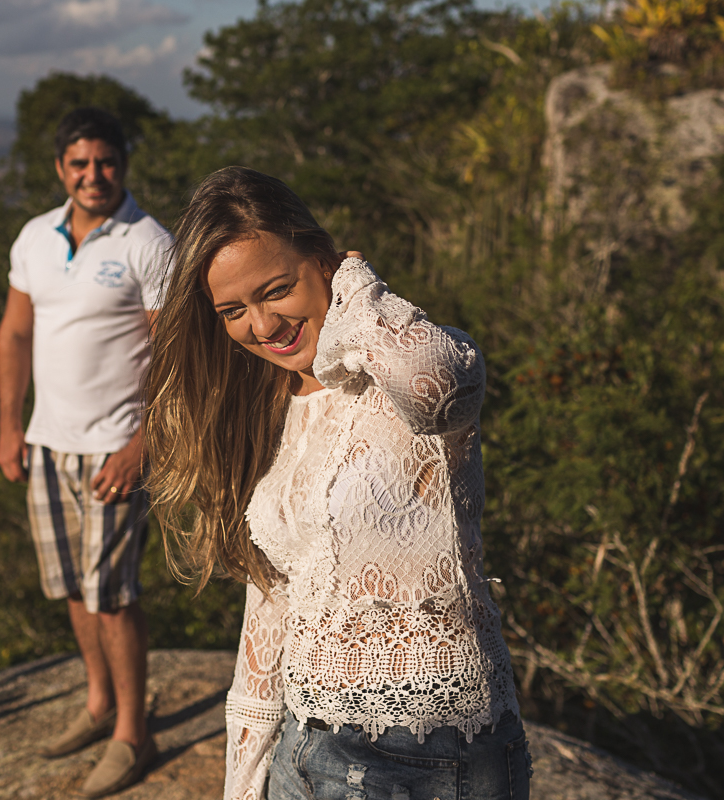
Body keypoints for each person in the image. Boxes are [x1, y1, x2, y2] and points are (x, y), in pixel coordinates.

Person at [145, 167, 529, 800]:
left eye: (276, 290)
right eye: (233, 311)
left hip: (426, 752)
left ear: (321, 260)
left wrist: (356, 286)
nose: (262, 326)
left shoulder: (409, 365)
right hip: (302, 745)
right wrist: (244, 782)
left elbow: (438, 389)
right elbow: (271, 605)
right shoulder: (272, 411)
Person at [0, 107, 170, 798]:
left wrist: (141, 445)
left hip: (113, 448)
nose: (94, 174)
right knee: (72, 587)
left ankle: (132, 733)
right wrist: (11, 427)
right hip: (49, 444)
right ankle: (98, 704)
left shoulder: (148, 242)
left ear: (123, 164)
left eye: (106, 161)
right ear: (60, 168)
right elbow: (15, 334)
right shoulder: (35, 237)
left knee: (112, 597)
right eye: (80, 163)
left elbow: (175, 355)